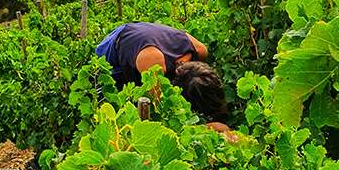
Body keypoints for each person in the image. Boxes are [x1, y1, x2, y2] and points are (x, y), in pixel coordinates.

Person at [96, 22, 235, 138]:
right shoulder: (152, 65)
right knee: (115, 104)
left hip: (151, 33)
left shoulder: (200, 51)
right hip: (118, 43)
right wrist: (200, 129)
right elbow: (159, 111)